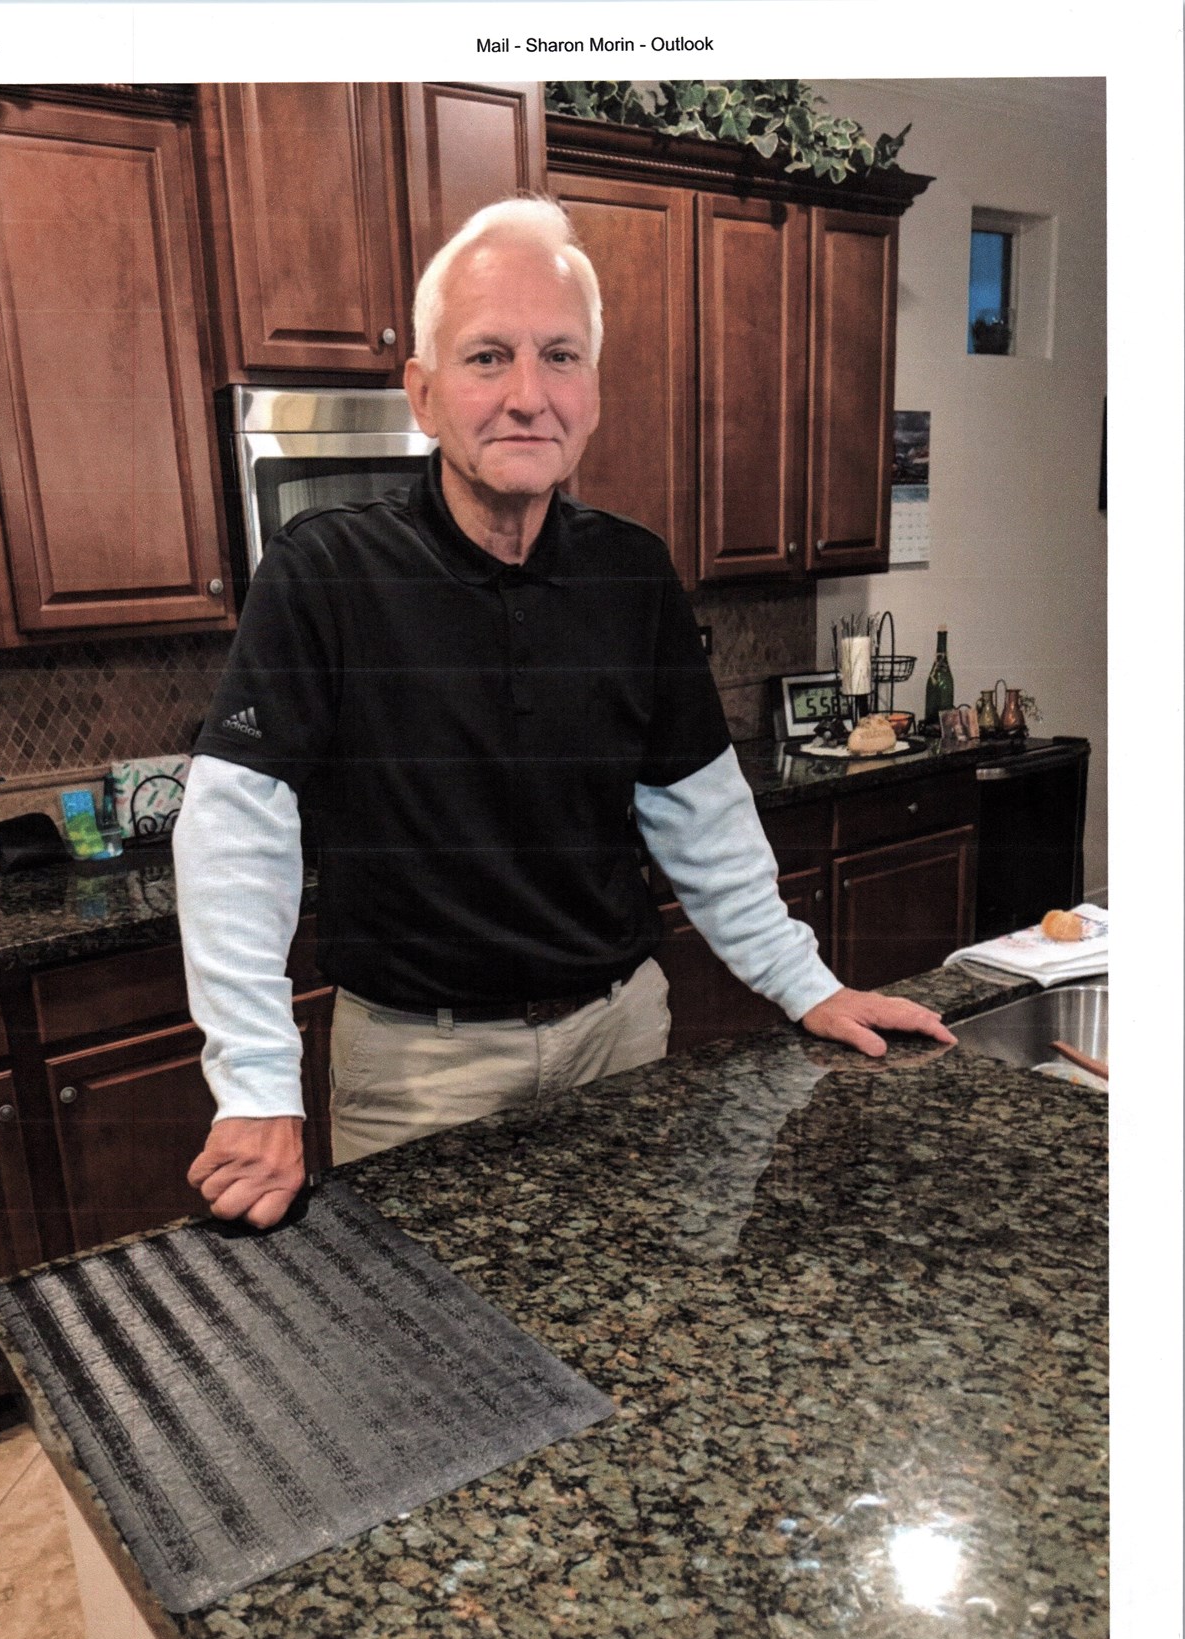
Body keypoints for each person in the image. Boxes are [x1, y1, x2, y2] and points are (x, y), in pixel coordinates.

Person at [173, 198, 954, 1232]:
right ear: (422, 393)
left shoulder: (630, 572)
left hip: (619, 1036)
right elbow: (235, 836)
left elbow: (701, 813)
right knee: (427, 1330)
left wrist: (805, 984)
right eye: (486, 357)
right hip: (417, 1071)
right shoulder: (325, 572)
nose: (526, 396)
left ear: (591, 395)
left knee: (637, 1304)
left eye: (559, 357)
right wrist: (256, 1086)